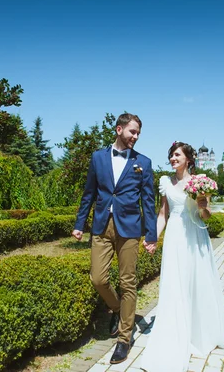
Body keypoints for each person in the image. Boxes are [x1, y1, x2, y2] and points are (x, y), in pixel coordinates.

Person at [72, 113, 158, 365]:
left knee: (127, 282)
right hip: (101, 225)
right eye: (132, 132)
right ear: (119, 129)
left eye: (138, 133)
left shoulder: (143, 162)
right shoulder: (98, 157)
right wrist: (79, 224)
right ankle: (119, 309)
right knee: (98, 278)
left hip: (130, 228)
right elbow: (89, 192)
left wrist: (150, 234)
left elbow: (148, 202)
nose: (136, 137)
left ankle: (124, 338)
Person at [141, 141, 224, 372]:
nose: (172, 158)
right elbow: (163, 214)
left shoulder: (198, 181)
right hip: (174, 237)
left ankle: (199, 334)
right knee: (174, 284)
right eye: (171, 155)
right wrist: (153, 237)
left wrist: (203, 205)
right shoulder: (165, 182)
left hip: (195, 237)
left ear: (188, 159)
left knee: (196, 283)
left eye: (177, 155)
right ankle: (175, 332)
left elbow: (206, 215)